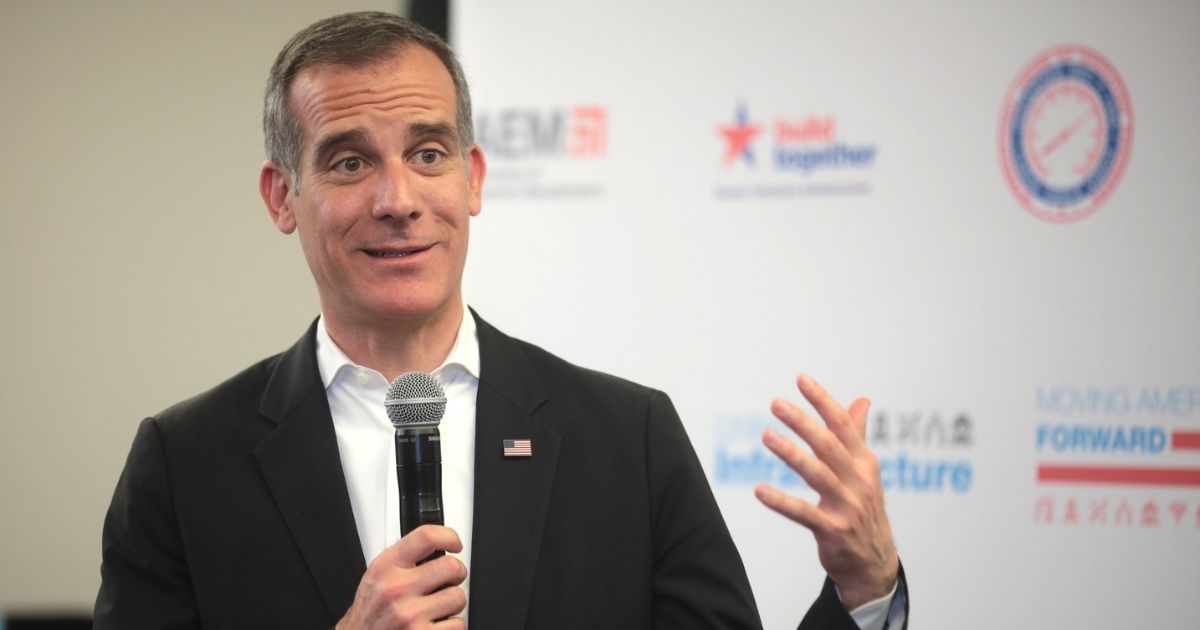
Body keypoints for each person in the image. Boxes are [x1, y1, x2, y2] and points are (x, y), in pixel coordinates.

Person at [94, 11, 905, 629]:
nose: (398, 200)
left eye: (428, 153)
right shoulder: (185, 463)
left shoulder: (628, 437)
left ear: (472, 179)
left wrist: (864, 594)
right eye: (349, 161)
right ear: (281, 197)